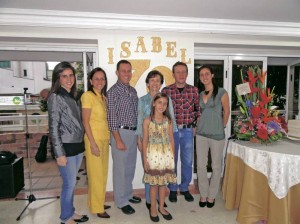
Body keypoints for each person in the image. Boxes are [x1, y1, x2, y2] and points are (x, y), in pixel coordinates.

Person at [48, 62, 89, 224]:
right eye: (64, 76)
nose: (69, 79)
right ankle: (65, 218)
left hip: (77, 146)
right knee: (69, 184)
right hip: (66, 147)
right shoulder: (56, 97)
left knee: (72, 184)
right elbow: (53, 127)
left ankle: (70, 212)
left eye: (71, 75)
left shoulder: (71, 95)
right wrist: (59, 154)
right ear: (58, 78)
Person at [136, 70, 177, 210]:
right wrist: (139, 140)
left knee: (162, 173)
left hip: (165, 142)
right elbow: (139, 120)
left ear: (161, 83)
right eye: (152, 80)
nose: (155, 83)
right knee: (150, 172)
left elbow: (171, 120)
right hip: (149, 142)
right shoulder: (142, 100)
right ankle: (149, 200)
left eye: (158, 80)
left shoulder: (167, 100)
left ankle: (160, 201)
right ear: (148, 83)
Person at [162, 61, 200, 203]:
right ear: (173, 74)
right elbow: (162, 111)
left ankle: (184, 188)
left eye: (184, 71)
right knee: (171, 162)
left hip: (188, 130)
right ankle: (172, 188)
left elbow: (198, 110)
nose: (181, 74)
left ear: (187, 73)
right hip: (172, 131)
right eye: (178, 72)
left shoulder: (194, 90)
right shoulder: (166, 91)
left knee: (187, 161)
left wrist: (195, 125)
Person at [107, 60, 141, 215]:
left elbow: (137, 115)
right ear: (117, 73)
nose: (127, 74)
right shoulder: (113, 91)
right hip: (120, 133)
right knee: (120, 169)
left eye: (129, 71)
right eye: (123, 71)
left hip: (133, 133)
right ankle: (121, 201)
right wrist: (118, 139)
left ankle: (128, 194)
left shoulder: (133, 91)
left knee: (130, 167)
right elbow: (111, 117)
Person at [196, 65, 230, 208]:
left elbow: (227, 112)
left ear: (212, 75)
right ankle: (203, 194)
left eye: (207, 74)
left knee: (216, 166)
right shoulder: (200, 93)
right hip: (201, 134)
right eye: (201, 74)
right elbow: (200, 114)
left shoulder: (222, 92)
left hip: (217, 135)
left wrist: (220, 127)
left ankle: (212, 195)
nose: (204, 76)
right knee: (201, 166)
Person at [81, 67, 111, 218]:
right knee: (96, 175)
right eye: (97, 79)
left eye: (102, 79)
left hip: (105, 139)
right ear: (91, 81)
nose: (100, 81)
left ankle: (97, 201)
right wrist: (92, 143)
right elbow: (85, 122)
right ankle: (98, 207)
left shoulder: (103, 97)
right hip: (94, 140)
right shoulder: (88, 96)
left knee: (102, 173)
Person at [142, 92, 176, 222]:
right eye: (160, 102)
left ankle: (161, 207)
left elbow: (171, 140)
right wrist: (145, 159)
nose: (162, 105)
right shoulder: (147, 121)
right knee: (153, 184)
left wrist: (172, 157)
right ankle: (153, 209)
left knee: (163, 184)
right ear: (154, 103)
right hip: (153, 157)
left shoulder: (168, 121)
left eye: (165, 103)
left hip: (166, 156)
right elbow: (145, 140)